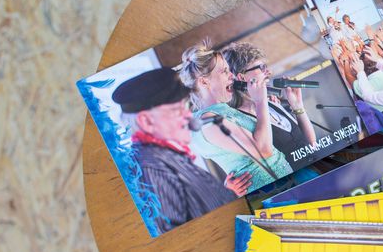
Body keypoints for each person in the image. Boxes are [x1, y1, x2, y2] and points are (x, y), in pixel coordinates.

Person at [111, 67, 254, 234]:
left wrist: (225, 194)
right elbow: (181, 238)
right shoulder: (153, 169)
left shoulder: (163, 157)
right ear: (146, 122)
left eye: (185, 107)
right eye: (176, 111)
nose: (187, 116)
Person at [178, 42, 292, 192]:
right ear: (204, 81)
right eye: (224, 71)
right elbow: (263, 150)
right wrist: (260, 101)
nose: (231, 75)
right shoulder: (208, 122)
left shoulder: (223, 111)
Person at [220, 42, 318, 168]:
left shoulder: (271, 104)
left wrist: (298, 106)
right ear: (242, 77)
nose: (268, 71)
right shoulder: (240, 120)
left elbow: (311, 145)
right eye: (261, 67)